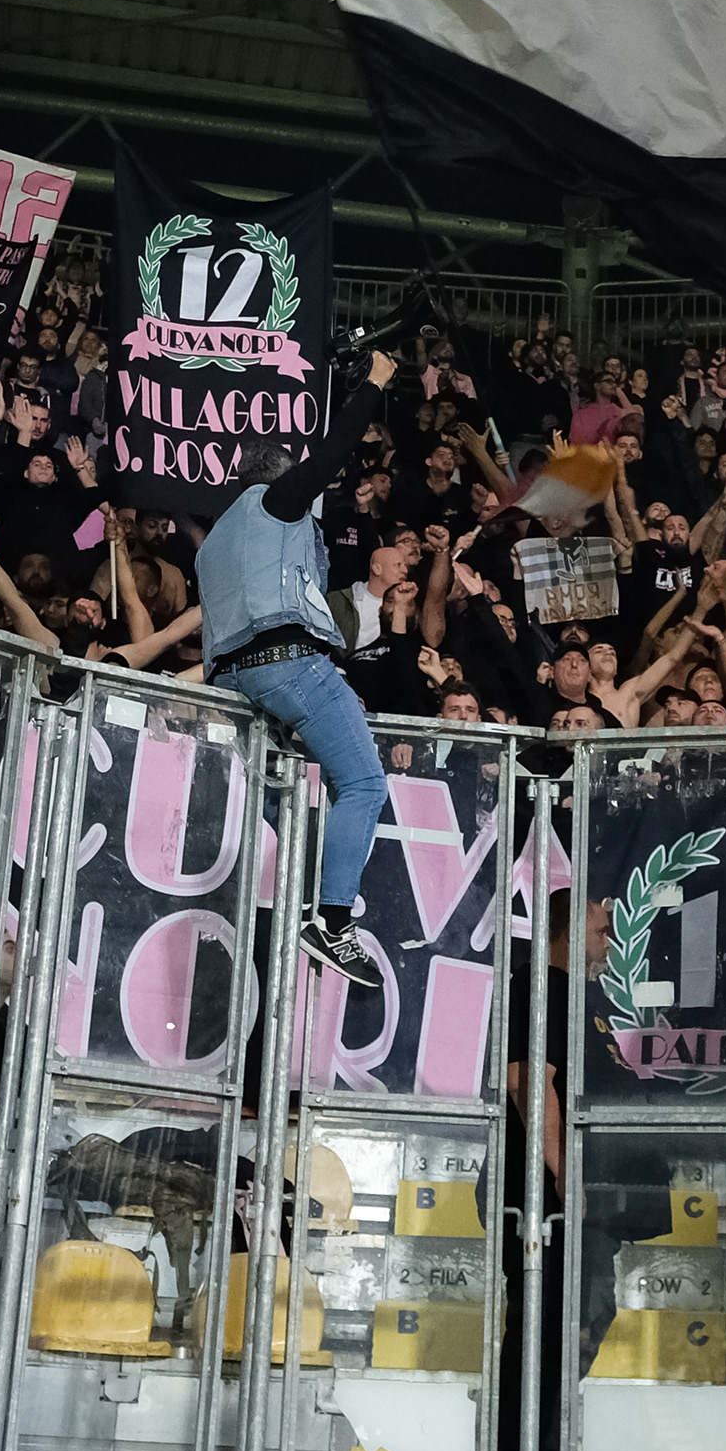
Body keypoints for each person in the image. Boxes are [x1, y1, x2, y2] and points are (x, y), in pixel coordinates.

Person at [200, 348, 404, 990]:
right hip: (288, 667)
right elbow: (334, 451)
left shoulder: (213, 541)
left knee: (307, 787)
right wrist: (373, 384)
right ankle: (333, 922)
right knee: (364, 785)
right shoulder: (275, 502)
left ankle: (294, 899)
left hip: (234, 681)